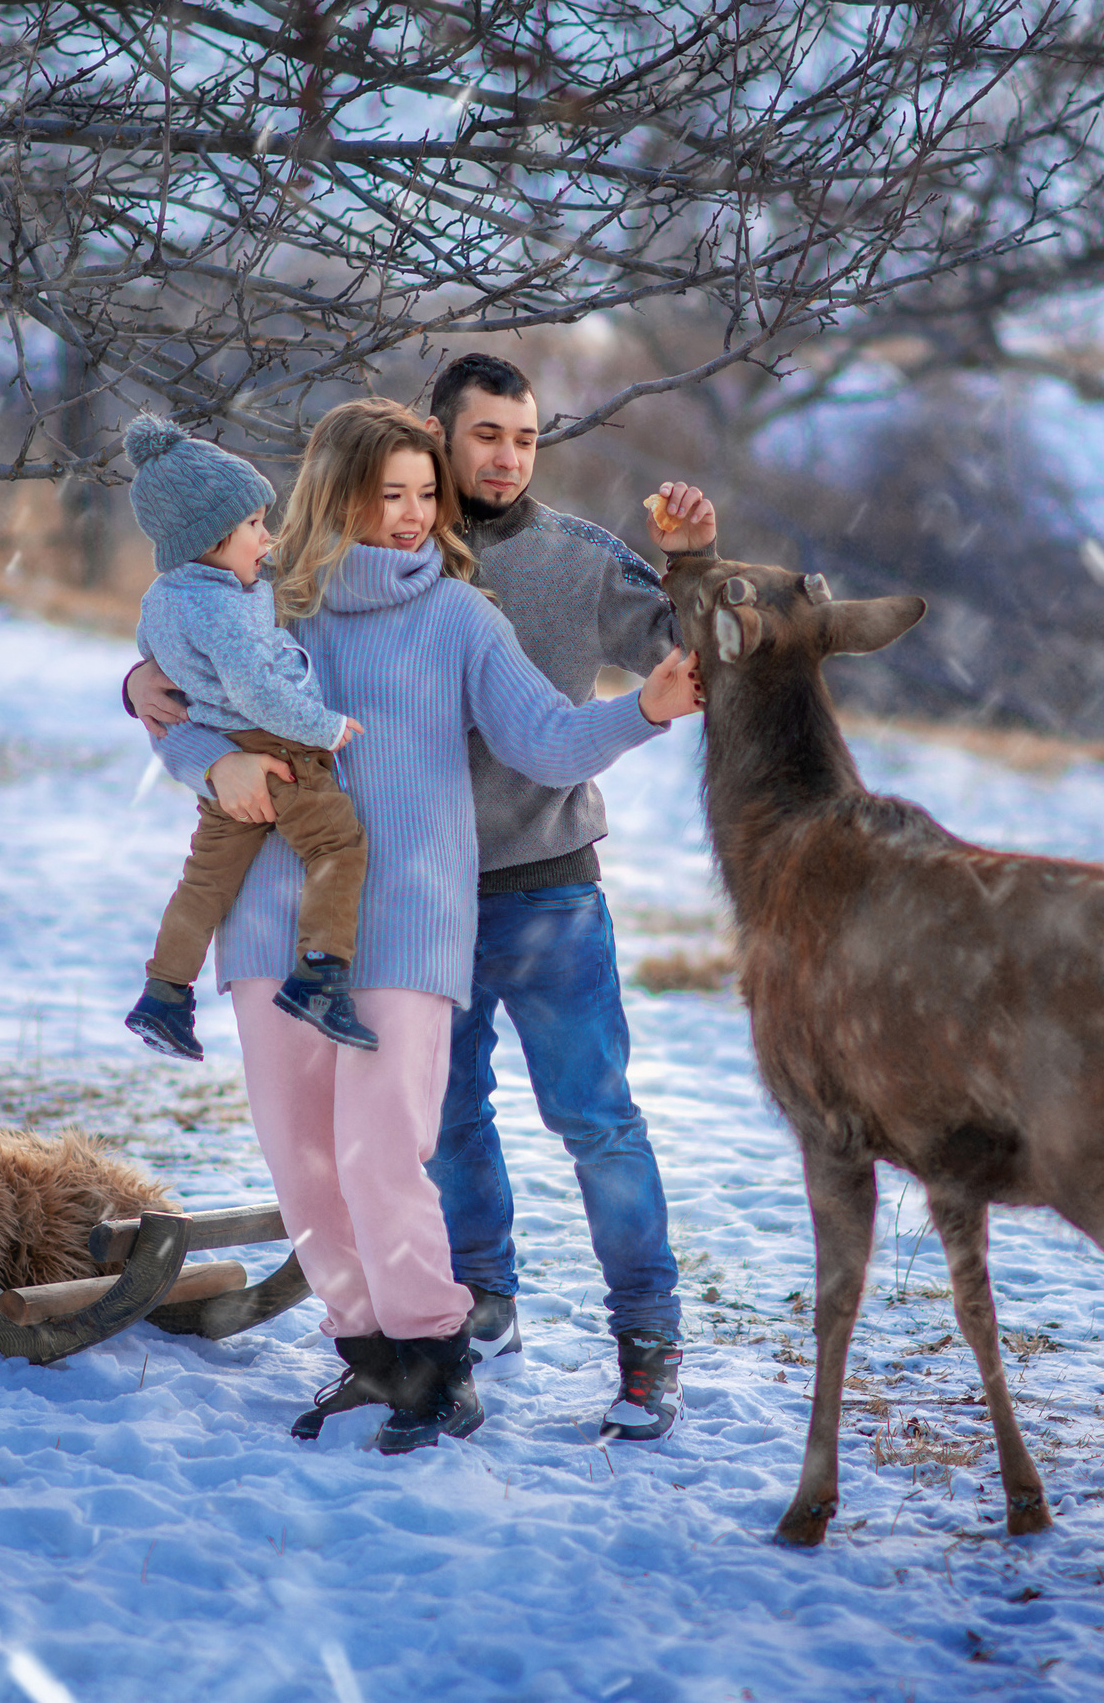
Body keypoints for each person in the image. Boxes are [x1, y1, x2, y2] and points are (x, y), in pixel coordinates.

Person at [125, 353, 720, 1444]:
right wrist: (206, 761)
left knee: (381, 1155)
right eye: (383, 496)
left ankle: (439, 1356)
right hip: (271, 922)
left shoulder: (457, 617)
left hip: (409, 923)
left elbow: (545, 739)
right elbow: (180, 710)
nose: (406, 517)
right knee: (300, 1161)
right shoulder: (271, 609)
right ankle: (368, 1356)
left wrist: (645, 708)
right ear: (334, 498)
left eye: (419, 497)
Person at [117, 416, 376, 1063]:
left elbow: (162, 666)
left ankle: (165, 993)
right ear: (211, 538)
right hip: (281, 747)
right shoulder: (226, 607)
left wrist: (139, 681)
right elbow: (259, 690)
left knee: (206, 883)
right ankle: (319, 972)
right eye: (255, 526)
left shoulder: (164, 598)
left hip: (221, 743)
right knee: (336, 846)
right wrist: (327, 727)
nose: (267, 537)